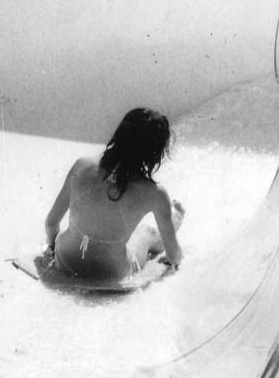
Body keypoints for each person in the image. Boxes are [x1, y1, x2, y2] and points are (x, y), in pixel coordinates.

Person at [45, 108, 184, 281]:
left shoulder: (81, 165)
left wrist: (51, 250)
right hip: (111, 273)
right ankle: (174, 220)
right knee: (145, 233)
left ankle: (171, 221)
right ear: (154, 152)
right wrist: (177, 256)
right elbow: (173, 256)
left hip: (66, 261)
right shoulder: (154, 192)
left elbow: (51, 223)